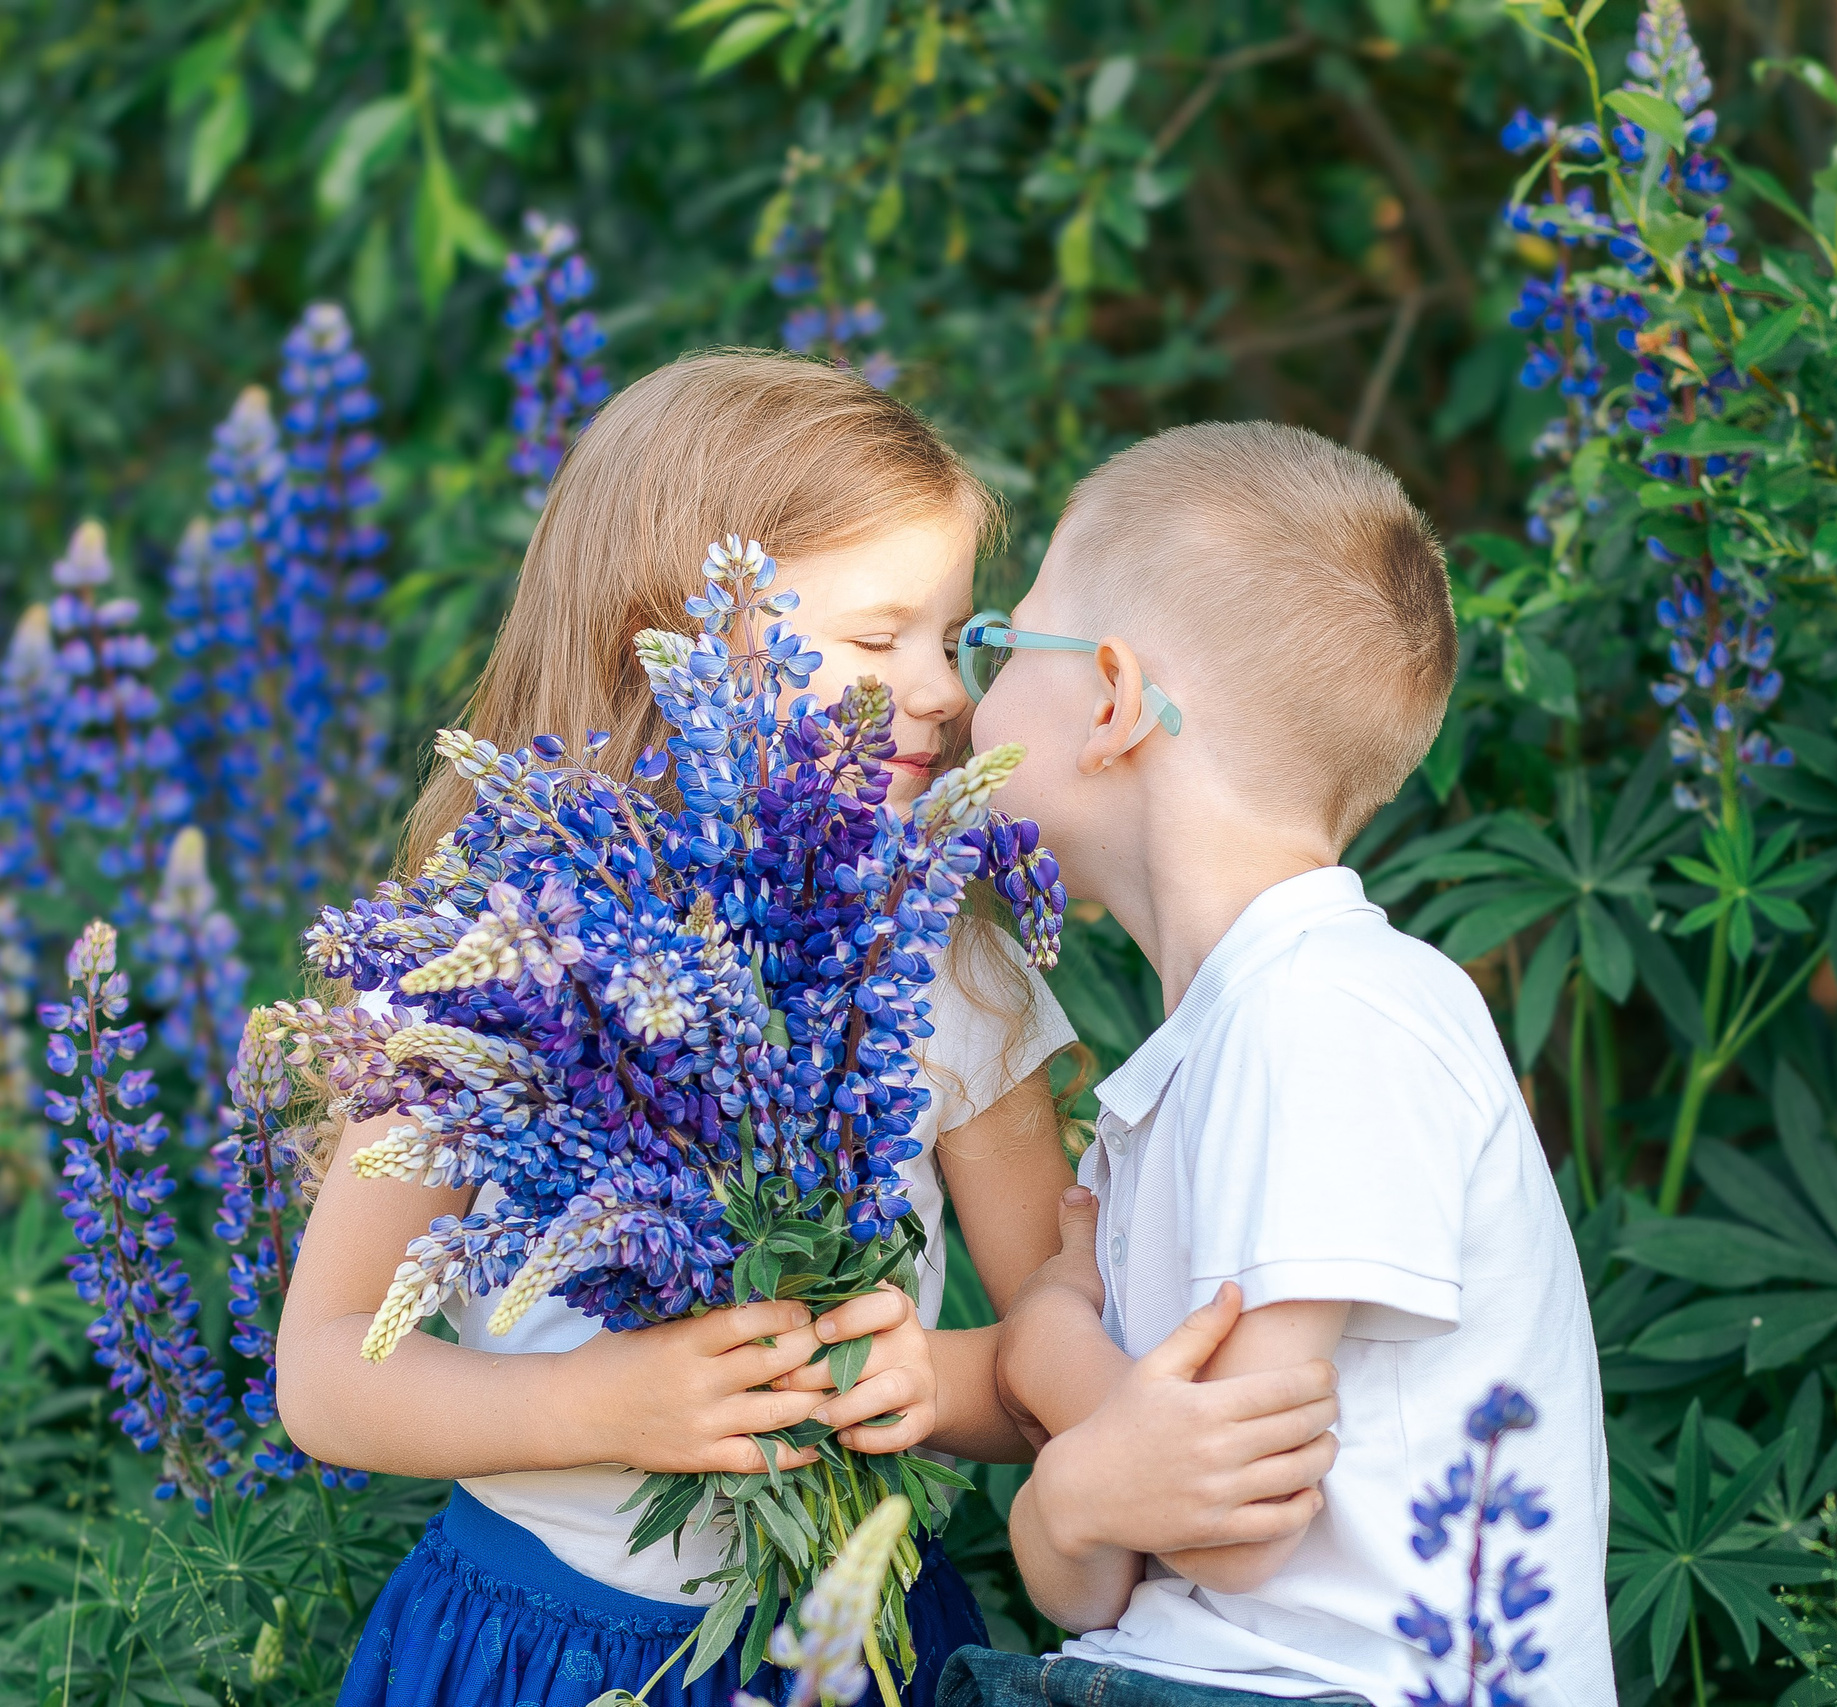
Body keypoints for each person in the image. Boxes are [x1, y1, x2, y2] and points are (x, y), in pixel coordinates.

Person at [276, 355, 1334, 1707]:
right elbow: (327, 1366)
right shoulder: (489, 965)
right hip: (537, 1637)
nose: (942, 687)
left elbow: (1057, 1347)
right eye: (876, 636)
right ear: (666, 641)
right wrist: (598, 1405)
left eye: (952, 637)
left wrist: (919, 1377)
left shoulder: (947, 947)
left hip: (857, 1626)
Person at [954, 422, 1611, 1707]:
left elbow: (1226, 1521)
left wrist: (1041, 1348)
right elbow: (1088, 1574)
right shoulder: (1222, 1046)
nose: (965, 692)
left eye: (996, 642)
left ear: (1109, 699)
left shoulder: (1331, 1017)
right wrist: (1077, 1495)